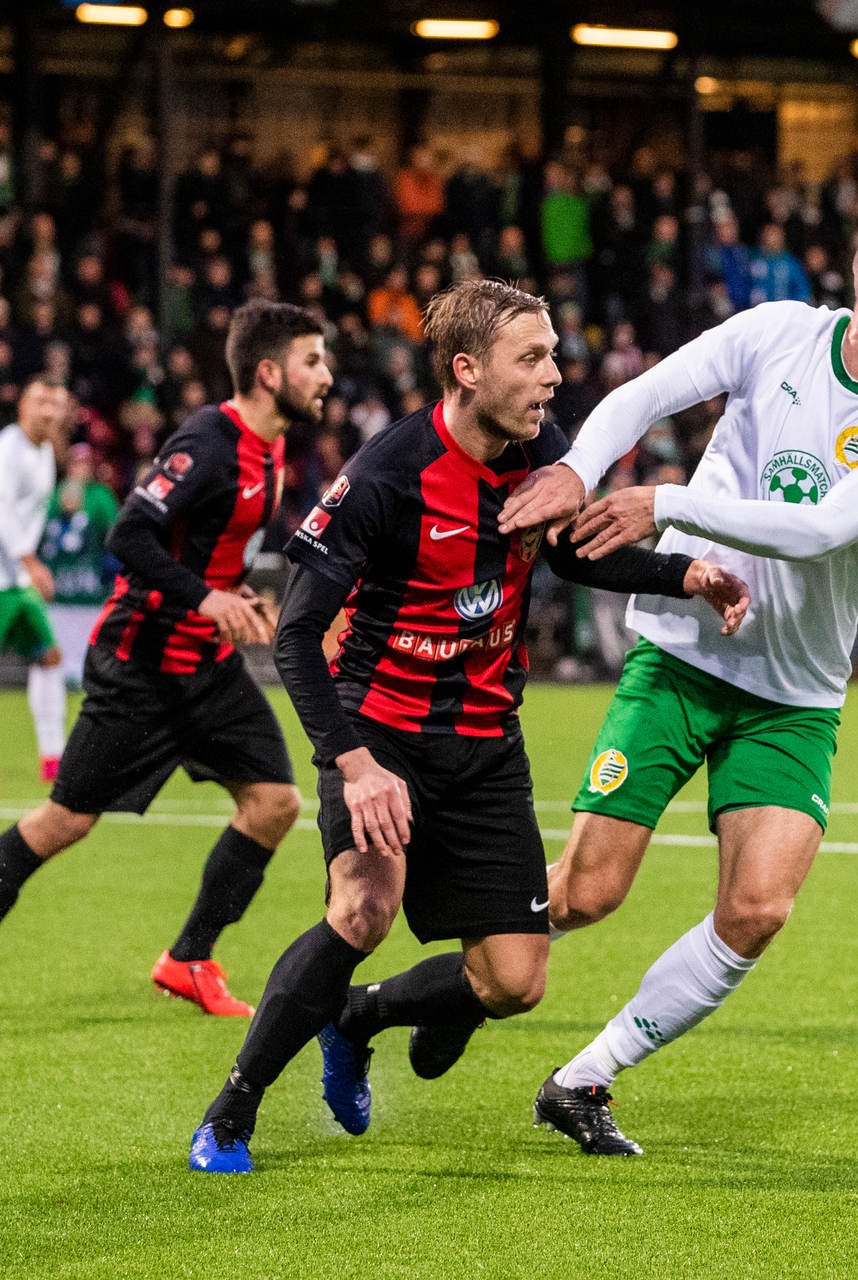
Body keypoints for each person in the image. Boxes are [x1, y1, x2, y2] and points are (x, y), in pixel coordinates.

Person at [187, 279, 747, 1175]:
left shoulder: (542, 453)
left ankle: (358, 1016)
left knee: (514, 982)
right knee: (362, 908)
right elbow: (296, 638)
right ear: (466, 370)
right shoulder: (386, 475)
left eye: (553, 355)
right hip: (384, 734)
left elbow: (568, 549)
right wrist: (355, 763)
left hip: (487, 746)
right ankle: (230, 1113)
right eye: (533, 358)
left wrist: (682, 576)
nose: (554, 376)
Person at [496, 208, 858, 1155]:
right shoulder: (776, 335)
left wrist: (663, 502)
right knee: (587, 896)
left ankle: (584, 1077)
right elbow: (644, 395)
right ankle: (421, 992)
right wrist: (578, 469)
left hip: (795, 695)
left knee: (757, 908)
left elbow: (823, 529)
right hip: (682, 654)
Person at [0, 304, 326, 1018]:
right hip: (140, 667)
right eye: (312, 362)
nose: (326, 377)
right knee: (63, 822)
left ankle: (188, 958)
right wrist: (207, 600)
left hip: (205, 671)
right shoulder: (210, 441)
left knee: (273, 803)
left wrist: (236, 599)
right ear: (268, 373)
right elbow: (129, 535)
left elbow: (202, 551)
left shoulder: (272, 450)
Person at [0, 375, 72, 780]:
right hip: (7, 576)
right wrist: (30, 562)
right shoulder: (8, 449)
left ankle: (53, 757)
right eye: (41, 402)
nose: (49, 411)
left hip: (16, 582)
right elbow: (2, 510)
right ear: (23, 404)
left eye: (56, 404)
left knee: (49, 656)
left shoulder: (44, 451)